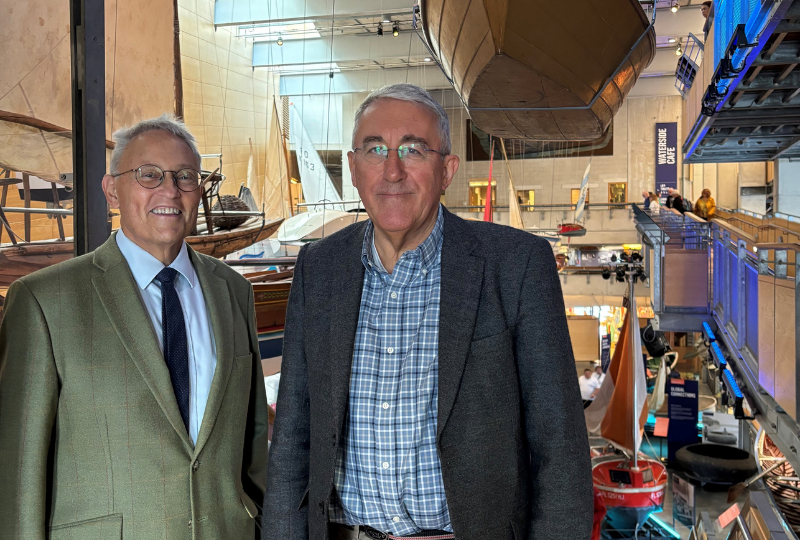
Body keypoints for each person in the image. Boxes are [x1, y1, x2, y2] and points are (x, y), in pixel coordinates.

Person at [263, 84, 593, 540]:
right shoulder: (319, 268)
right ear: (355, 168)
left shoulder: (516, 265)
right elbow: (292, 440)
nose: (392, 171)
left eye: (413, 150)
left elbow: (561, 449)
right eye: (375, 149)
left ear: (447, 170)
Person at [0, 115, 269, 538]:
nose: (169, 190)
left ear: (198, 191)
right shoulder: (44, 301)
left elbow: (252, 444)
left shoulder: (233, 291)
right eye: (149, 175)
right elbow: (19, 472)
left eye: (185, 176)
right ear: (112, 191)